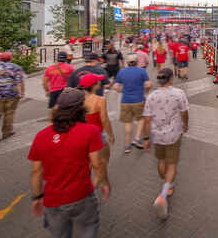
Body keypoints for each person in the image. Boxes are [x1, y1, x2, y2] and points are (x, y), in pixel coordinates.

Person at [28, 88, 110, 238]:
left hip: (53, 200)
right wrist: (104, 183)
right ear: (81, 108)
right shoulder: (90, 131)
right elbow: (98, 164)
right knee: (88, 228)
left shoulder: (41, 136)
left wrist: (37, 197)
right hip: (82, 195)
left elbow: (36, 172)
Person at [142, 68, 189, 219]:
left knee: (161, 161)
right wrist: (185, 124)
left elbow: (147, 120)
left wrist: (146, 138)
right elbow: (184, 112)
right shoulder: (178, 94)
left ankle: (167, 183)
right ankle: (163, 193)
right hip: (174, 134)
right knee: (172, 164)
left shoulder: (151, 96)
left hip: (157, 136)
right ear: (171, 79)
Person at [113, 54, 151, 154]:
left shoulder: (122, 72)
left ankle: (127, 145)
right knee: (141, 119)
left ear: (127, 62)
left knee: (128, 123)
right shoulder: (142, 71)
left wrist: (123, 91)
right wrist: (146, 91)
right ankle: (137, 138)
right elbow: (148, 84)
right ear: (137, 61)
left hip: (125, 100)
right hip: (139, 99)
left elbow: (116, 87)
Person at [79, 73, 115, 169]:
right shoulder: (100, 100)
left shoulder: (79, 99)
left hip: (82, 134)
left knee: (89, 160)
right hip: (97, 134)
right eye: (98, 81)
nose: (100, 82)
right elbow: (104, 119)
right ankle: (99, 182)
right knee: (104, 160)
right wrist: (111, 135)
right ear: (94, 85)